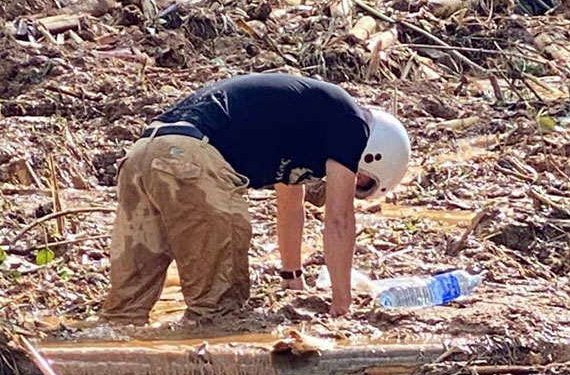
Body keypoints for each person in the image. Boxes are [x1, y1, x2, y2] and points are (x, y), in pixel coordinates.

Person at [102, 72, 410, 324]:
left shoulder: (308, 123)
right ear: (374, 153)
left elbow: (291, 203)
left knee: (124, 312)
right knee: (219, 313)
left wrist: (292, 277)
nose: (350, 184)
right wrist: (343, 305)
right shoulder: (351, 122)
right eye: (362, 180)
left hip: (144, 154)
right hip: (190, 160)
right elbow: (339, 220)